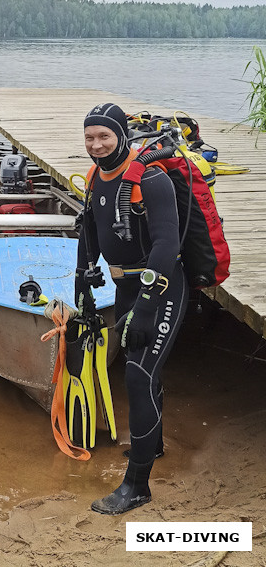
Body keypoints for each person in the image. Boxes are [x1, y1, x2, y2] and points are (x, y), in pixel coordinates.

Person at [76, 102, 188, 515]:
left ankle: (137, 486)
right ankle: (153, 447)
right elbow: (88, 229)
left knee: (138, 377)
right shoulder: (95, 177)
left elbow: (166, 245)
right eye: (89, 137)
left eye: (104, 136)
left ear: (122, 135)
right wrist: (82, 282)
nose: (96, 145)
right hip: (124, 287)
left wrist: (145, 306)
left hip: (160, 288)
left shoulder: (151, 180)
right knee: (144, 372)